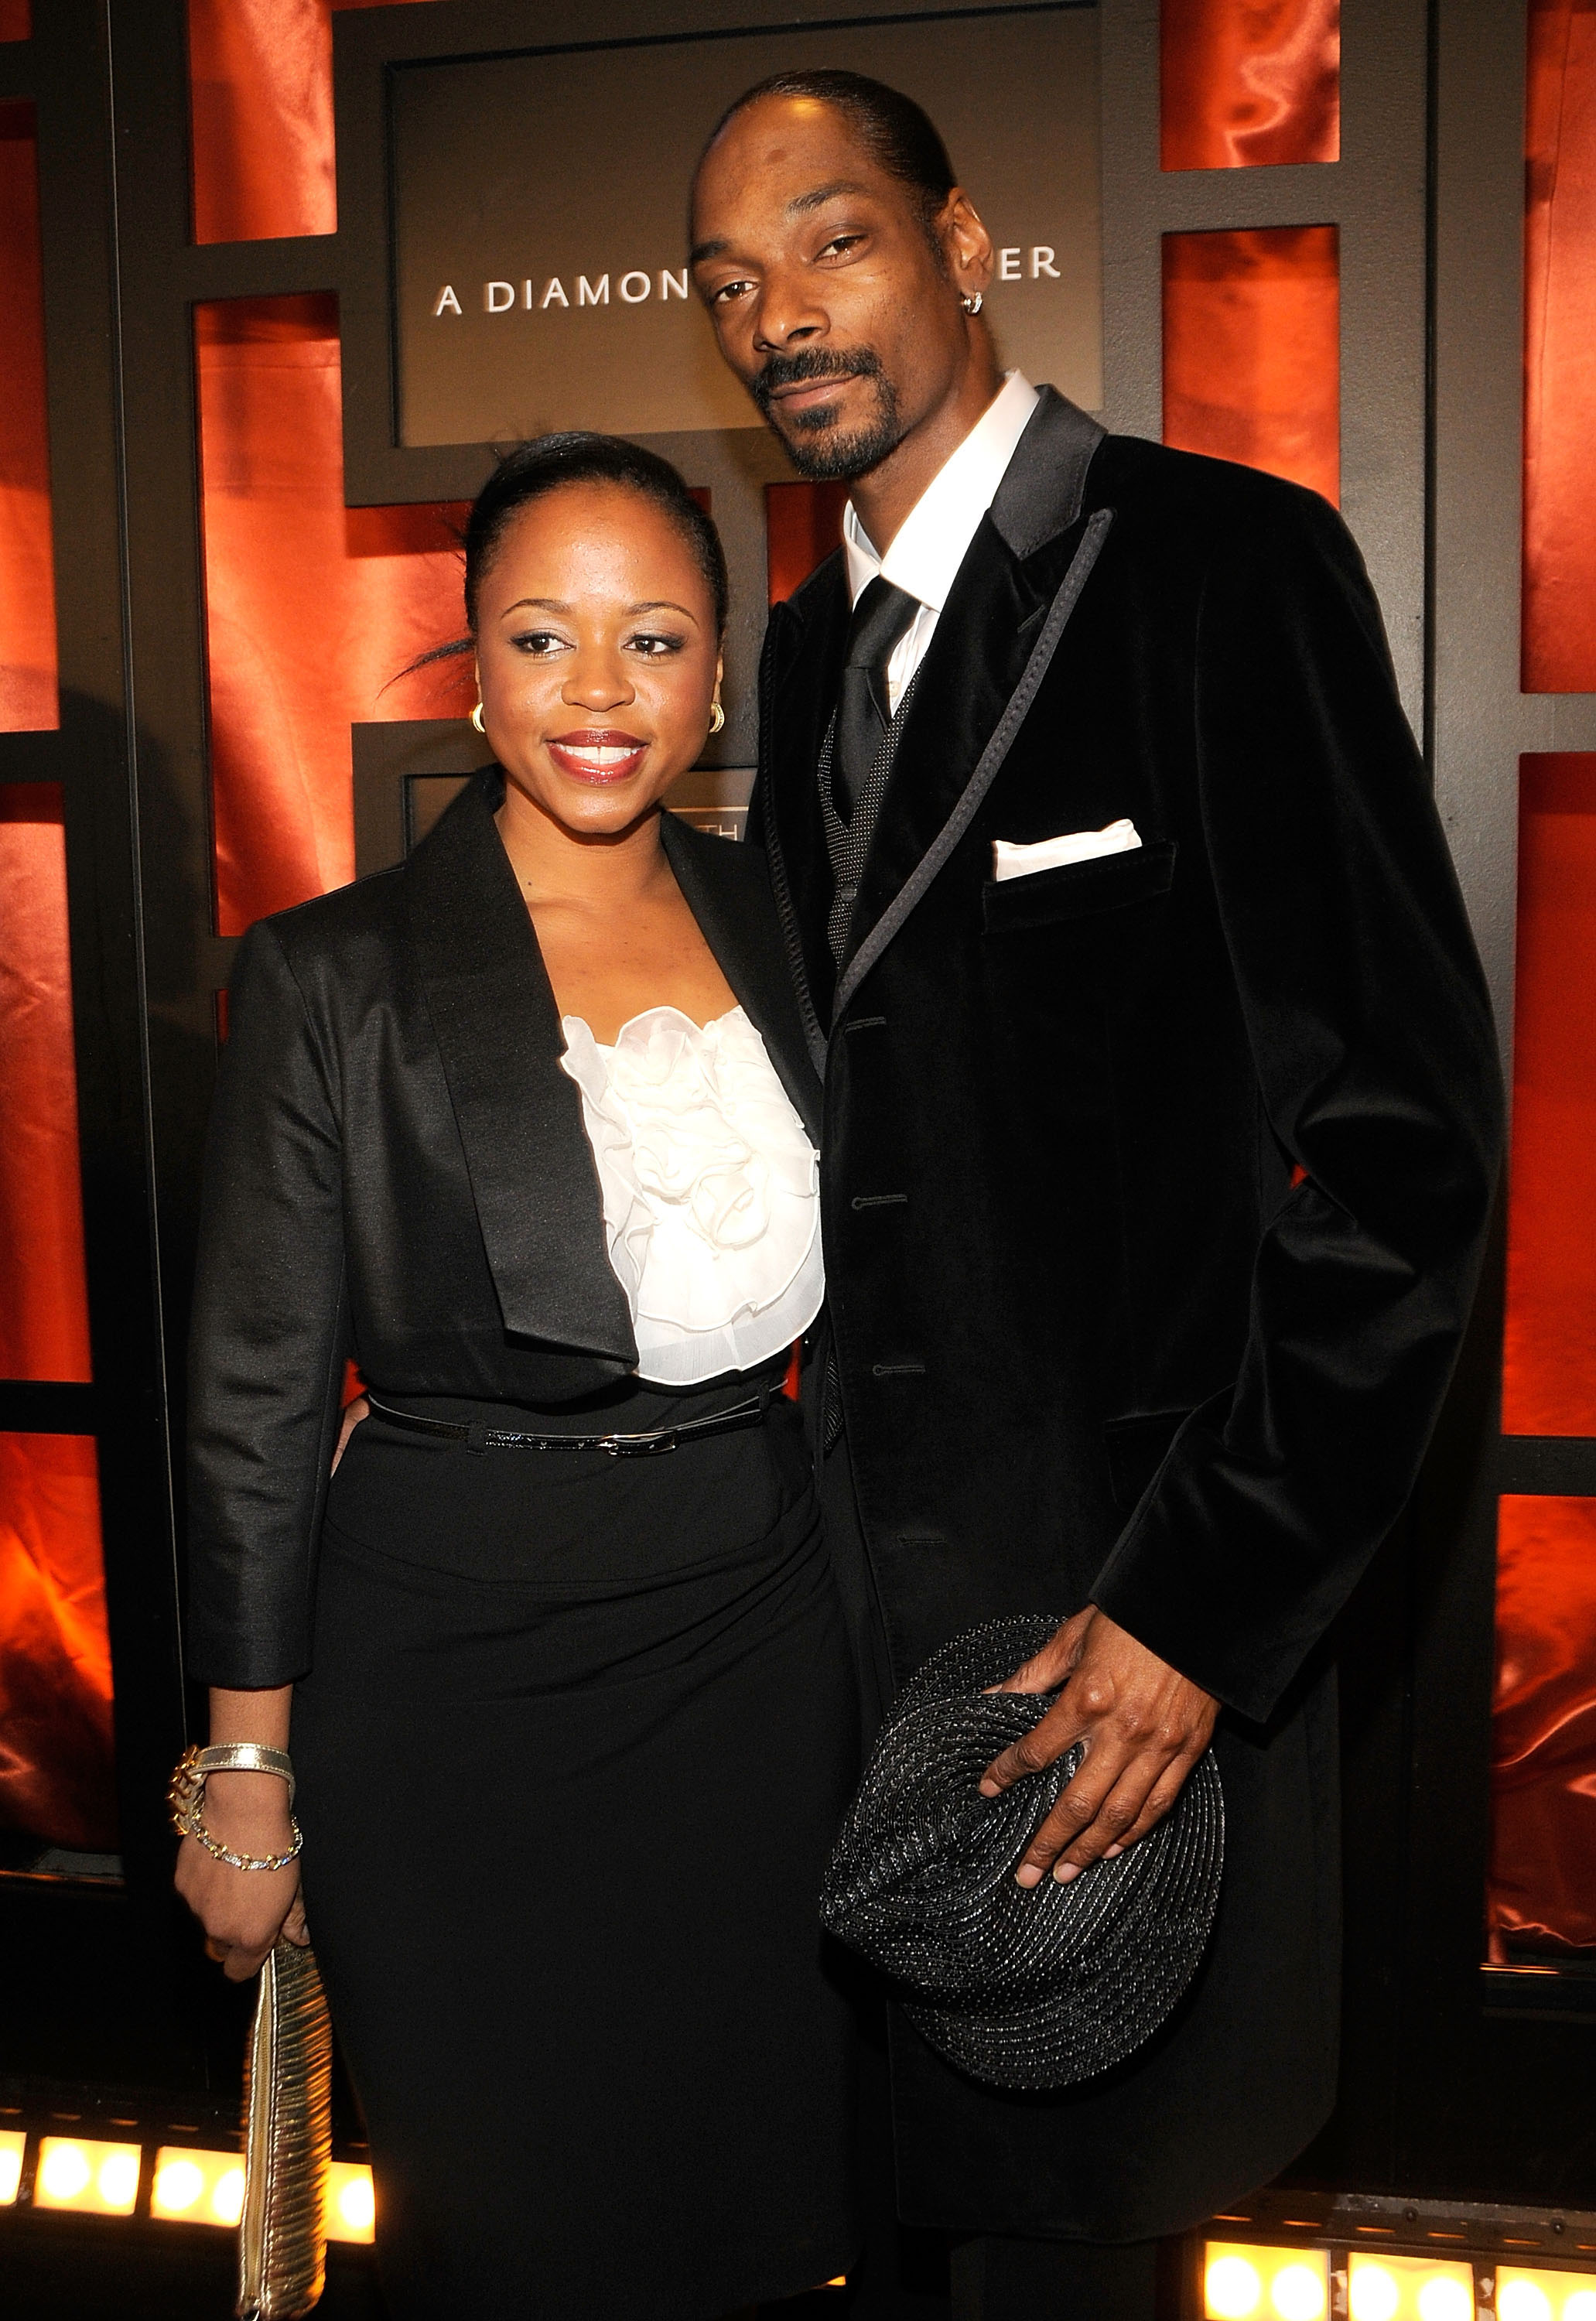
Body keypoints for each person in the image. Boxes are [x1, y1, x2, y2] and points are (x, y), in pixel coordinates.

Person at [690, 70, 1503, 2321]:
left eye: (831, 243)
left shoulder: (1221, 568)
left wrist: (1200, 1614)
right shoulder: (802, 648)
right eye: (730, 284)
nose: (781, 317)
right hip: (863, 1645)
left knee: (1084, 2270)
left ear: (963, 249)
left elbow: (1408, 1160)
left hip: (1118, 1645)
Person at [175, 434, 860, 2319]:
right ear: (467, 664)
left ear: (719, 675)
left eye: (653, 640)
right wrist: (249, 1778)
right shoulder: (339, 973)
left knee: (766, 2208)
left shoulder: (799, 928)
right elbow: (251, 1404)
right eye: (542, 640)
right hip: (458, 1688)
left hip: (761, 1649)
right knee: (521, 2234)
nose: (599, 695)